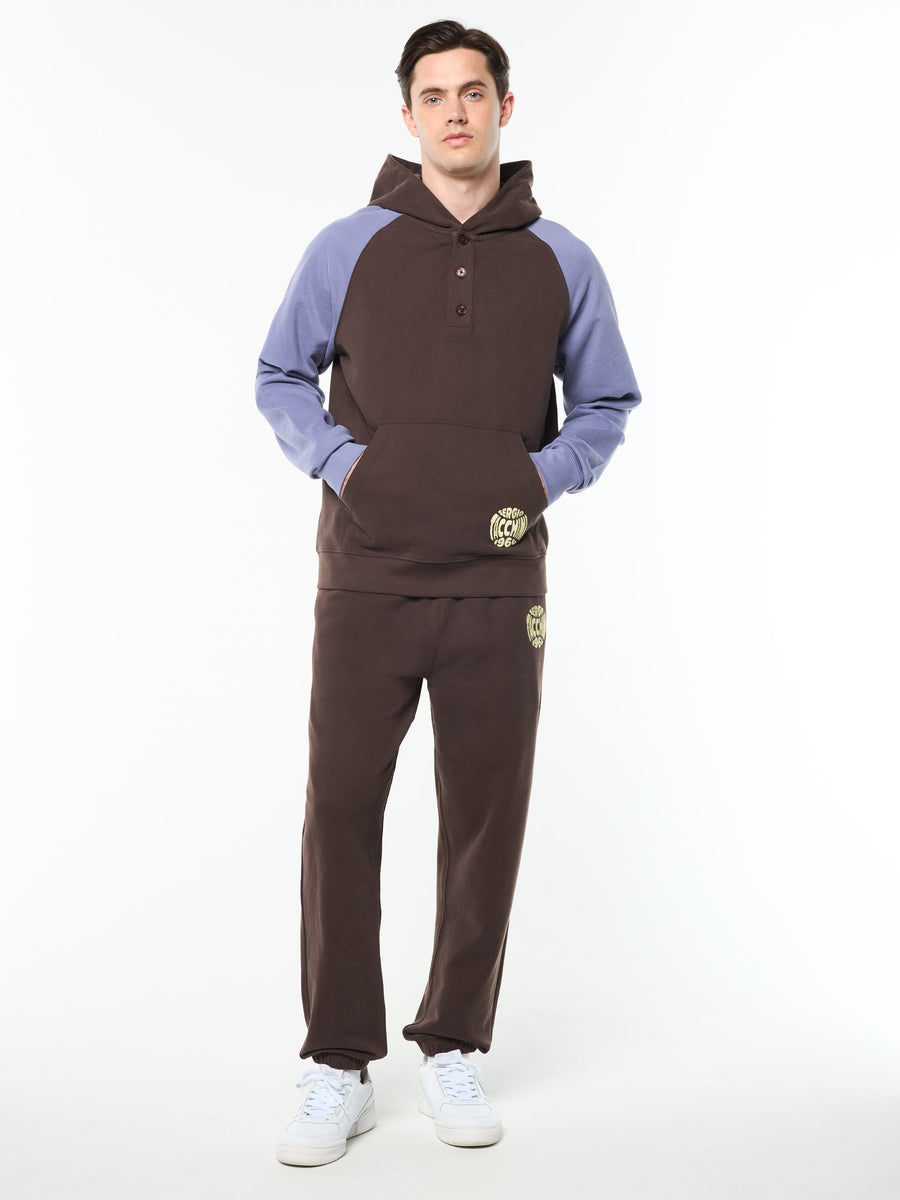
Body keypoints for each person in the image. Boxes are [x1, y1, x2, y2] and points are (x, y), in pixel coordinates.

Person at [255, 18, 641, 1168]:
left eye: (474, 92)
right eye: (435, 95)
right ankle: (338, 1063)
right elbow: (279, 375)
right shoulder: (349, 245)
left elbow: (606, 404)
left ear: (504, 108)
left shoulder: (563, 258)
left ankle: (455, 1041)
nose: (456, 111)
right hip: (366, 577)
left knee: (485, 818)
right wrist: (347, 466)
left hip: (500, 583)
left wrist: (534, 479)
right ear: (409, 113)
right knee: (341, 810)